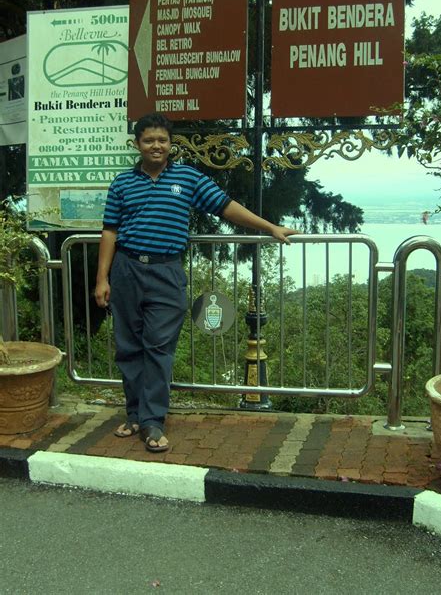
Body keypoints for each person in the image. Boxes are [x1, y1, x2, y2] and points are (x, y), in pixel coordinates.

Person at [94, 113, 297, 453]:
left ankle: (153, 421)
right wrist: (102, 278)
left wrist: (270, 227)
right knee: (128, 348)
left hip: (167, 272)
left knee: (159, 347)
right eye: (148, 140)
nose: (156, 146)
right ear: (137, 145)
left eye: (162, 140)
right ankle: (134, 414)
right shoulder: (122, 184)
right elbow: (110, 231)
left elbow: (226, 207)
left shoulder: (187, 178)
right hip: (126, 269)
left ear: (171, 144)